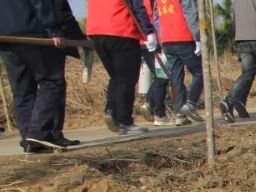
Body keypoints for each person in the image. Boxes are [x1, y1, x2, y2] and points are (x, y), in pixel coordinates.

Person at [0, 0, 79, 151]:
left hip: (5, 36)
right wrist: (54, 29)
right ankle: (38, 133)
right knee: (52, 81)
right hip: (32, 32)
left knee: (22, 90)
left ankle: (30, 141)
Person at [87, 0, 156, 135]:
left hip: (97, 31)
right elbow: (136, 5)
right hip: (121, 29)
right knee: (126, 79)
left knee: (116, 77)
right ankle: (125, 121)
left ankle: (111, 111)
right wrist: (148, 31)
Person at [153, 0, 203, 125]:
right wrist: (198, 37)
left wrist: (161, 39)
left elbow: (156, 19)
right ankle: (190, 104)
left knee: (176, 79)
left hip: (167, 41)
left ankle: (180, 114)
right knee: (199, 72)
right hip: (184, 38)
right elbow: (191, 13)